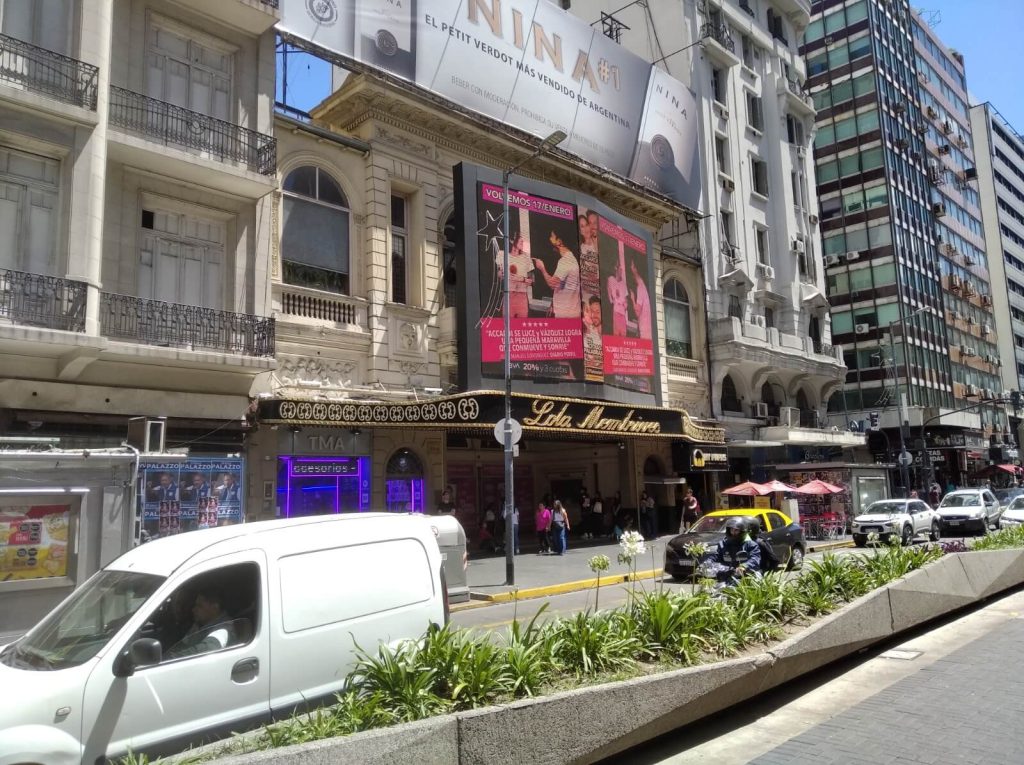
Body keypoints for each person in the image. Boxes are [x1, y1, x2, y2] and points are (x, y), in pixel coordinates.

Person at [166, 586, 237, 659]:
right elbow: (184, 644)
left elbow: (208, 647)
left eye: (199, 606)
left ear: (215, 607)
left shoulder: (224, 629)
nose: (193, 610)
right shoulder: (200, 624)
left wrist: (168, 658)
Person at [533, 233, 581, 318]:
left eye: (552, 236)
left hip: (565, 314)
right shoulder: (571, 258)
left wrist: (542, 268)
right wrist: (553, 304)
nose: (550, 238)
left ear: (559, 241)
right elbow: (562, 285)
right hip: (570, 311)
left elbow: (552, 284)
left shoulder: (565, 261)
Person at [711, 517, 762, 586]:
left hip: (746, 576)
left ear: (742, 531)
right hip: (727, 576)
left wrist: (744, 566)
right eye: (732, 530)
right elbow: (715, 557)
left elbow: (755, 559)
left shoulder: (751, 545)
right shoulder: (723, 544)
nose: (733, 533)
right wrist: (708, 563)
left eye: (736, 530)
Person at [494, 231, 534, 318]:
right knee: (507, 325)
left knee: (521, 326)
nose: (523, 243)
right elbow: (498, 275)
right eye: (521, 241)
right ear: (512, 240)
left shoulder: (526, 258)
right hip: (508, 296)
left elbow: (532, 281)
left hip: (522, 297)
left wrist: (521, 279)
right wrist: (501, 274)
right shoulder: (502, 255)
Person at [606, 249, 629, 337]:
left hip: (622, 313)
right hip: (615, 311)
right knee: (616, 335)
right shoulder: (610, 279)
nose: (621, 269)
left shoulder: (623, 283)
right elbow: (608, 292)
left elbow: (626, 299)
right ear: (615, 268)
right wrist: (613, 300)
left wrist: (625, 304)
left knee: (623, 335)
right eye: (619, 267)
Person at [629, 258, 652, 340]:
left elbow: (637, 312)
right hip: (648, 329)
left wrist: (632, 299)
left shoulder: (640, 287)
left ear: (636, 269)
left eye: (633, 267)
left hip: (645, 331)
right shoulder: (643, 286)